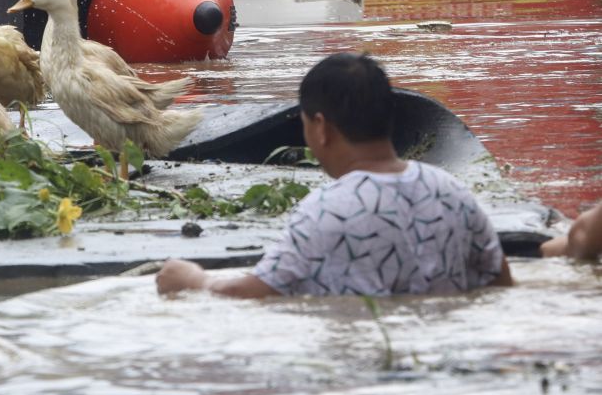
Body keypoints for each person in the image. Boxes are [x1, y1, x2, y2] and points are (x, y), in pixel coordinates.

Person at [157, 53, 513, 299]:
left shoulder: (327, 211)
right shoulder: (453, 192)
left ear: (321, 128)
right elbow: (501, 283)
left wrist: (195, 280)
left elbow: (254, 293)